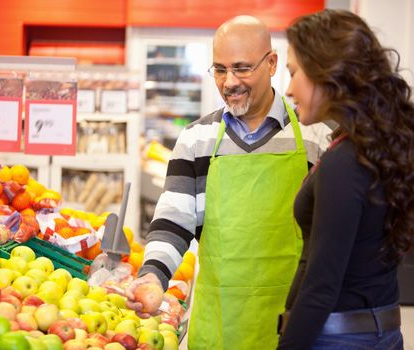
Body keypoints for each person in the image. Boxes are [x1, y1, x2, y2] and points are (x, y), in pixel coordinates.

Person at [125, 15, 330, 349]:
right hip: (218, 326)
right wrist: (153, 275)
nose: (229, 82)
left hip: (293, 324)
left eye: (242, 68)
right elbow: (174, 220)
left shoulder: (314, 138)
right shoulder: (196, 140)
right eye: (219, 69)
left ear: (272, 63)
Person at [277, 9, 414, 350]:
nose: (289, 88)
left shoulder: (345, 162)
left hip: (337, 339)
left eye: (294, 72)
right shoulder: (378, 149)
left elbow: (322, 285)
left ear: (326, 73)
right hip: (379, 328)